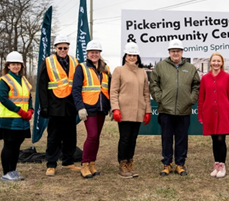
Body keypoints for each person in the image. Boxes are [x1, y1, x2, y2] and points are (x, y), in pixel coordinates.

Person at [150, 39, 200, 176]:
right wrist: (159, 98)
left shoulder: (190, 68)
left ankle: (180, 164)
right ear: (169, 52)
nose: (175, 53)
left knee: (182, 138)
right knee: (166, 138)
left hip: (184, 110)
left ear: (182, 52)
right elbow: (153, 84)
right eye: (173, 51)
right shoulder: (160, 66)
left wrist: (191, 99)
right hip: (165, 110)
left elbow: (196, 85)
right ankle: (167, 164)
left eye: (178, 51)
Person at [38, 34, 81, 176]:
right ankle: (51, 164)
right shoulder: (48, 62)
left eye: (65, 47)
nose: (63, 50)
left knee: (70, 135)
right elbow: (42, 86)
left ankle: (68, 162)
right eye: (60, 47)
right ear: (55, 48)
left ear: (68, 48)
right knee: (54, 136)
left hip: (70, 105)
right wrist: (44, 106)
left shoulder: (75, 61)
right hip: (54, 105)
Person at [110, 42, 152, 178]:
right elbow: (113, 91)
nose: (132, 57)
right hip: (124, 111)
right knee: (125, 138)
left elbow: (146, 93)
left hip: (138, 111)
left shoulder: (142, 72)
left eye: (134, 55)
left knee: (133, 139)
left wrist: (148, 111)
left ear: (137, 57)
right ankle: (122, 164)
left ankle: (129, 162)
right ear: (125, 56)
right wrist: (115, 108)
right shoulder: (119, 70)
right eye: (129, 55)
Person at [72, 40, 111, 178]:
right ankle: (84, 164)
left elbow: (109, 89)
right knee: (92, 135)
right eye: (92, 52)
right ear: (87, 54)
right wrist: (80, 108)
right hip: (88, 108)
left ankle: (92, 163)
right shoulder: (81, 68)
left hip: (102, 108)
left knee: (97, 137)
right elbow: (76, 90)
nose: (94, 54)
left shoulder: (105, 68)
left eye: (96, 52)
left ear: (100, 54)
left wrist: (110, 106)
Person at [198, 52, 229, 178]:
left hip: (224, 113)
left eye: (218, 61)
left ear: (222, 63)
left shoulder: (227, 78)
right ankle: (216, 164)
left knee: (221, 139)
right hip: (209, 113)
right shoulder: (205, 78)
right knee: (214, 140)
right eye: (214, 61)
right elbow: (201, 98)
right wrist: (200, 115)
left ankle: (222, 165)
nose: (216, 63)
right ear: (210, 62)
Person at [0, 51, 34, 181]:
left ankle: (13, 171)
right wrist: (20, 111)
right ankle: (6, 173)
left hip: (22, 120)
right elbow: (4, 99)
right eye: (13, 64)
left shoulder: (24, 80)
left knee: (17, 145)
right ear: (8, 66)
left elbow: (29, 97)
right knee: (9, 145)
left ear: (21, 66)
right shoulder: (4, 80)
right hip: (9, 119)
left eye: (18, 64)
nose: (16, 66)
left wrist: (30, 110)